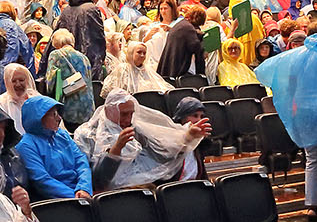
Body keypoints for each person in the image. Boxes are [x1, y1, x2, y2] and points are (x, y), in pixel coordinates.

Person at [74, 89, 207, 191]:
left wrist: (187, 137)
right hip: (110, 194)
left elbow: (163, 154)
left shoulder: (136, 131)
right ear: (111, 111)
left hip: (139, 187)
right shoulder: (88, 134)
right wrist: (116, 150)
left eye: (131, 114)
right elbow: (98, 181)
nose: (128, 119)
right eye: (124, 114)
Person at [15, 95, 93, 201]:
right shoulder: (26, 145)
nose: (59, 118)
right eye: (53, 114)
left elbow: (81, 161)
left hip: (80, 191)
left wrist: (84, 189)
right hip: (54, 200)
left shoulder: (62, 135)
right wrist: (75, 196)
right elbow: (42, 180)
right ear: (39, 118)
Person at [41, 29, 94, 130]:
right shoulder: (83, 57)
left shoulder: (56, 55)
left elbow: (50, 83)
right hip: (88, 108)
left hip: (70, 109)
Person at [156, 5, 207, 81]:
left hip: (170, 66)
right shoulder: (188, 28)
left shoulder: (181, 24)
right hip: (178, 70)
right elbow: (196, 48)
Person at [0, 62, 39, 132]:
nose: (18, 84)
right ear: (7, 83)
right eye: (14, 81)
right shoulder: (0, 103)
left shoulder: (36, 98)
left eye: (21, 80)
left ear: (27, 80)